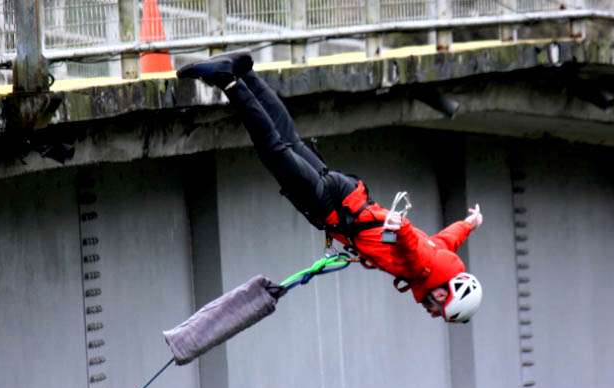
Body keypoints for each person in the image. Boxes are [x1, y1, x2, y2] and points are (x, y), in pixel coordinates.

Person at [177, 53, 484, 323]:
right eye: (439, 309)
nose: (430, 310)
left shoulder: (440, 256)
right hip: (333, 209)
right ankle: (228, 80)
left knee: (290, 142)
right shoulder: (422, 270)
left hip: (350, 193)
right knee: (273, 151)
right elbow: (409, 247)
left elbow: (448, 238)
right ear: (448, 293)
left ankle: (246, 73)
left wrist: (469, 224)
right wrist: (399, 226)